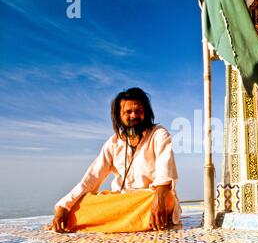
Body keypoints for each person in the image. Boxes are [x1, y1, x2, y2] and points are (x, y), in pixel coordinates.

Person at [50, 87, 181, 233]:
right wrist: (64, 206)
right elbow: (92, 178)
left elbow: (165, 175)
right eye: (128, 112)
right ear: (119, 116)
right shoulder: (113, 142)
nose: (134, 116)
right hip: (121, 200)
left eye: (139, 111)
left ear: (146, 112)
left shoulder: (159, 134)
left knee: (163, 199)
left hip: (151, 198)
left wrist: (159, 199)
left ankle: (104, 222)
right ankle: (129, 222)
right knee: (81, 202)